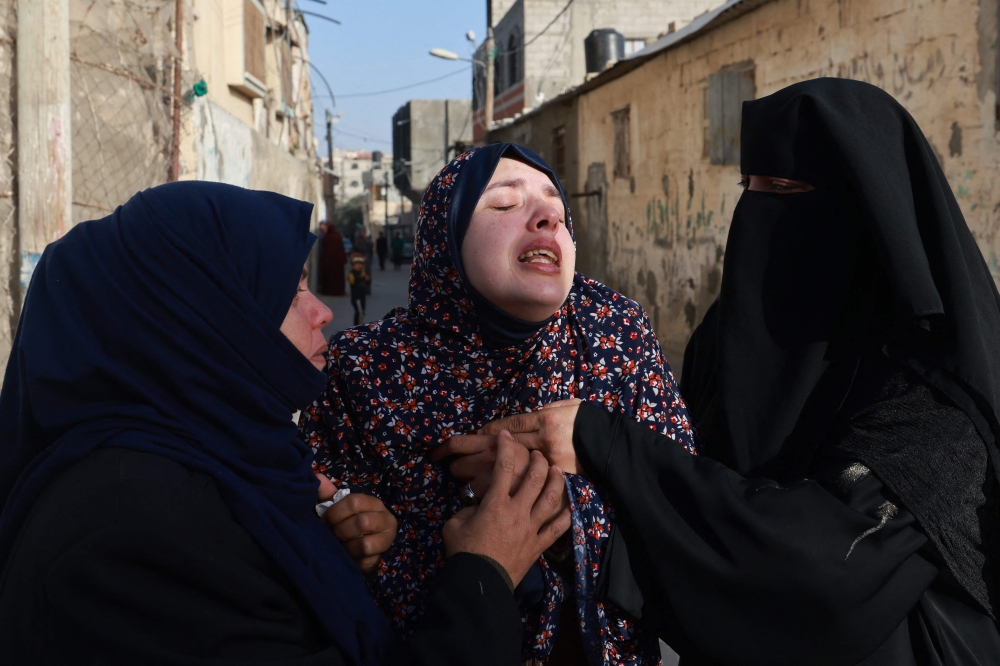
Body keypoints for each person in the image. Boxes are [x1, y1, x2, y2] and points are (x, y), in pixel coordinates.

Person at [441, 79, 1000, 665]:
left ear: (869, 213)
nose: (756, 214)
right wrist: (562, 523)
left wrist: (605, 440)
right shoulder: (730, 338)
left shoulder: (932, 383)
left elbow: (819, 572)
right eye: (748, 188)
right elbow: (695, 522)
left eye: (783, 189)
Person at [0, 181, 571, 665]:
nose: (321, 310)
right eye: (290, 289)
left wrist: (316, 550)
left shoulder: (225, 465)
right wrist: (484, 573)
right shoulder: (131, 539)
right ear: (205, 320)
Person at [300, 144, 695, 665]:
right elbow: (314, 530)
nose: (547, 215)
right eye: (504, 205)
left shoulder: (614, 331)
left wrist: (563, 507)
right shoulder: (363, 368)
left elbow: (685, 505)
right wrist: (367, 537)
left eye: (557, 207)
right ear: (446, 235)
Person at [320, 221, 347, 296]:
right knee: (338, 278)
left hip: (328, 262)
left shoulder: (326, 237)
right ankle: (339, 291)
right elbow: (341, 249)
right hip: (338, 263)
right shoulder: (337, 237)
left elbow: (325, 249)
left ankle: (328, 291)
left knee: (329, 278)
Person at [348, 253, 371, 325]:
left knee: (361, 313)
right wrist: (362, 275)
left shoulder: (363, 273)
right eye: (357, 264)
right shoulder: (351, 274)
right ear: (353, 265)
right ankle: (356, 327)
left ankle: (358, 326)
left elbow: (368, 282)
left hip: (362, 296)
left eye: (361, 264)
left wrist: (364, 272)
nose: (359, 266)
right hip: (356, 297)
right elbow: (354, 282)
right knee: (359, 312)